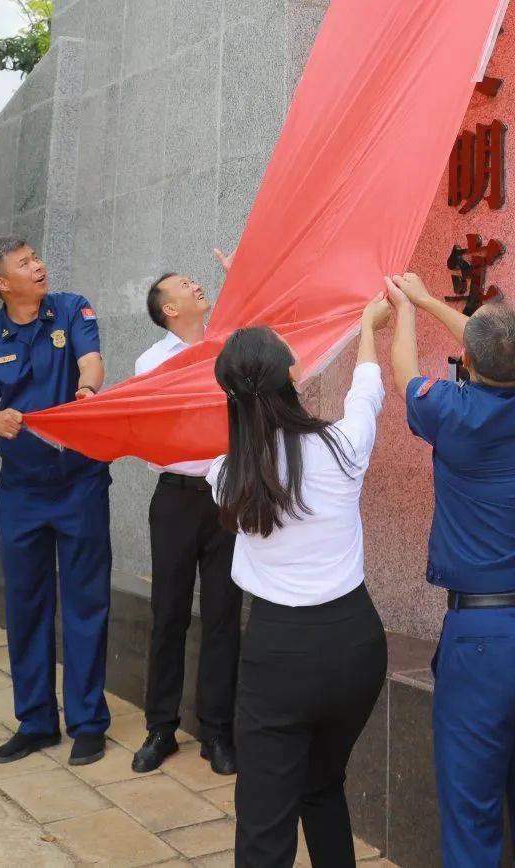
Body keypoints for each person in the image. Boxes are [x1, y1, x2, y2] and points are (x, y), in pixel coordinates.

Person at [386, 272, 515, 868]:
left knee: (472, 814)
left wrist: (410, 307)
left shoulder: (449, 409)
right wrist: (431, 305)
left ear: (465, 360)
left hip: (483, 641)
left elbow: (402, 376)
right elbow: (510, 352)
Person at [206, 296, 391, 868]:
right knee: (322, 786)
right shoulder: (340, 448)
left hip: (278, 655)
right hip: (356, 647)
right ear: (293, 374)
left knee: (265, 822)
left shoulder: (226, 475)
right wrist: (367, 328)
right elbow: (366, 392)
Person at [0, 236, 111, 766]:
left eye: (36, 257)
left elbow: (90, 361)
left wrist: (87, 393)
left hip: (80, 483)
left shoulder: (69, 307)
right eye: (25, 263)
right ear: (3, 283)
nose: (38, 265)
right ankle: (37, 721)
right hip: (21, 493)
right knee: (26, 604)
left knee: (86, 603)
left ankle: (88, 722)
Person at [131, 269, 241, 776]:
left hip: (226, 498)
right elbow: (151, 432)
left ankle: (217, 731)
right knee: (169, 613)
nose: (196, 285)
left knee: (223, 614)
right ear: (167, 309)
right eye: (184, 284)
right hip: (175, 499)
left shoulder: (228, 345)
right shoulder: (152, 363)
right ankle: (160, 728)